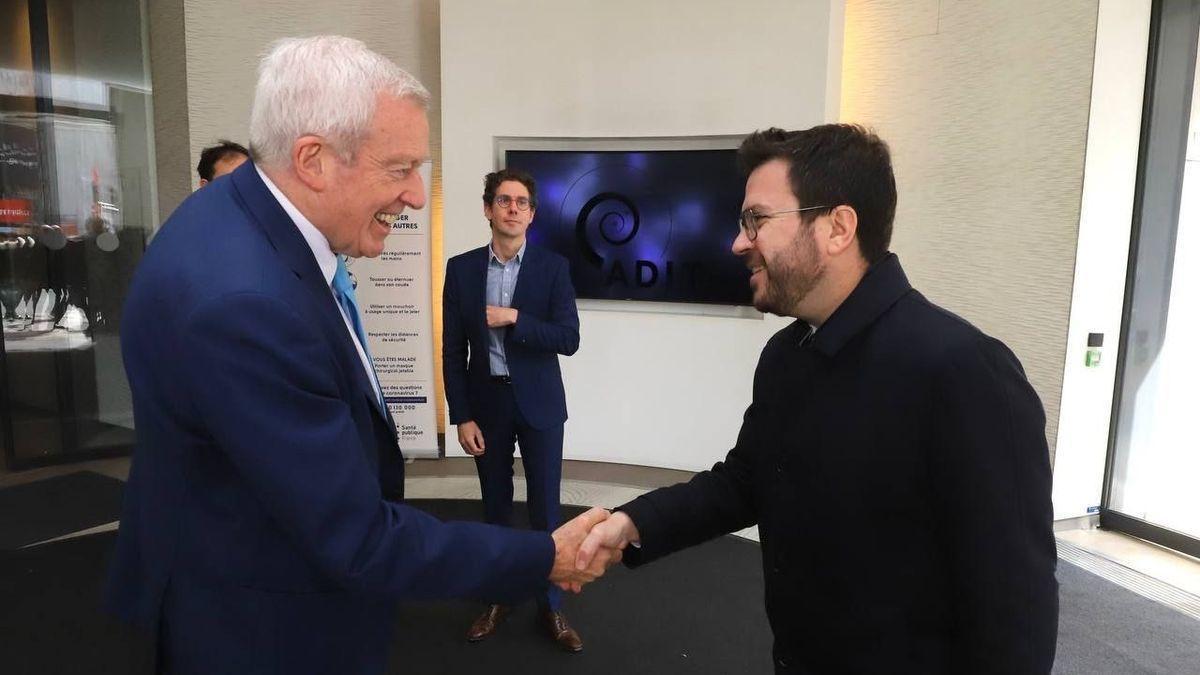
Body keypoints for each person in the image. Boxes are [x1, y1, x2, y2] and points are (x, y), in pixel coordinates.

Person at [105, 36, 617, 675]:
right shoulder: (246, 303)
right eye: (400, 168)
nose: (417, 197)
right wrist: (543, 558)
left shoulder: (228, 217)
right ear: (314, 159)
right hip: (260, 627)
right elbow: (355, 537)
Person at [578, 124, 1059, 674]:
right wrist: (631, 523)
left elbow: (1015, 610)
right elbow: (746, 482)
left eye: (756, 219)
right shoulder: (786, 354)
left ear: (837, 227)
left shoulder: (964, 371)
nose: (739, 242)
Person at [442, 168, 584, 651]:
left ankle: (551, 604)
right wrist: (461, 414)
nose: (513, 209)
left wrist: (515, 319)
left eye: (522, 202)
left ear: (532, 214)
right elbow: (452, 351)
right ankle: (500, 596)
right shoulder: (461, 269)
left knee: (546, 507)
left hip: (541, 405)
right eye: (504, 200)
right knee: (496, 505)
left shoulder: (552, 268)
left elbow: (569, 339)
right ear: (488, 209)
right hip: (487, 406)